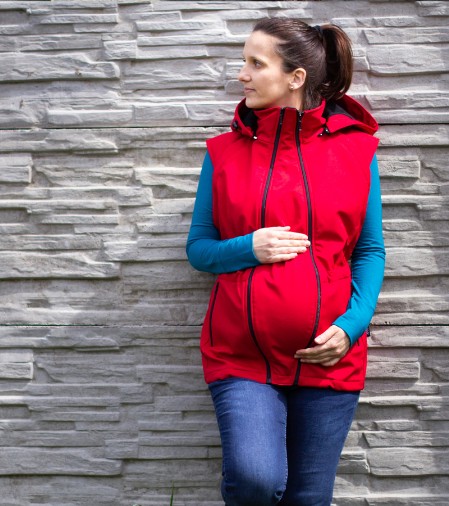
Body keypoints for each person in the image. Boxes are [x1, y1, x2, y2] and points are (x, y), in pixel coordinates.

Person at [186, 17, 385, 506]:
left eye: (256, 63)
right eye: (244, 62)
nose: (242, 74)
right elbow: (199, 249)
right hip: (242, 357)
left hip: (329, 360)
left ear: (296, 77)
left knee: (308, 498)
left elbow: (369, 250)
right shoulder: (223, 153)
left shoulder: (357, 150)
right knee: (255, 480)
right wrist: (247, 247)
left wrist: (351, 326)